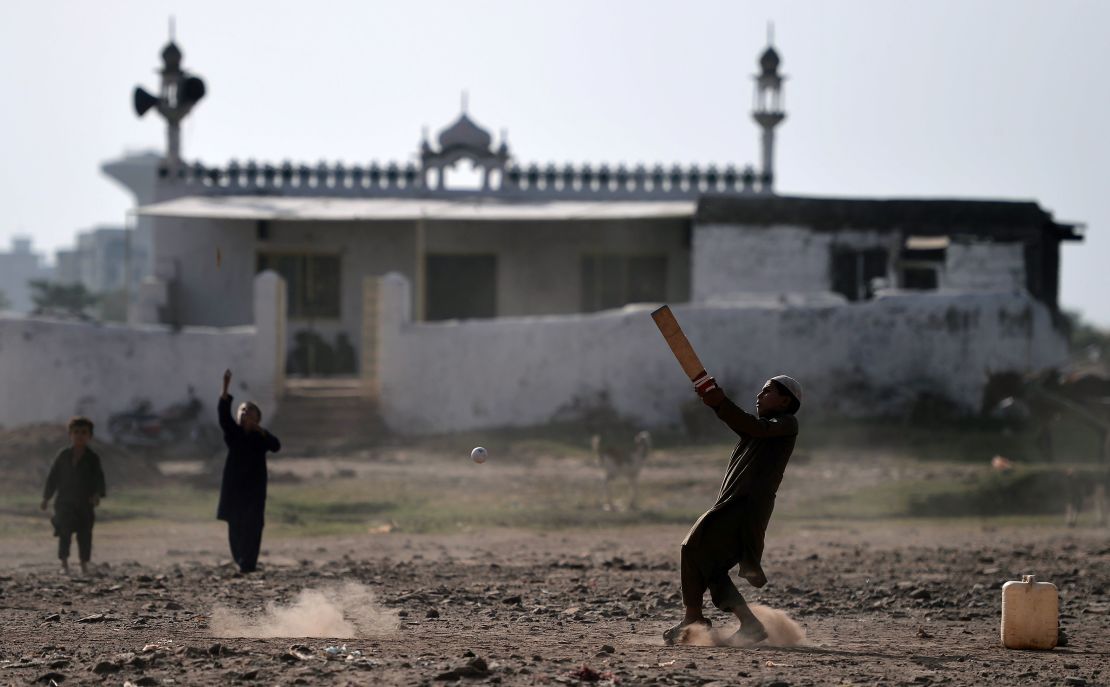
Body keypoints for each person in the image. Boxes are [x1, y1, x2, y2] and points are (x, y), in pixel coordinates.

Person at [664, 375, 802, 646]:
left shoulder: (785, 424)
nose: (760, 396)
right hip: (736, 505)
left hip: (745, 507)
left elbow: (751, 425)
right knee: (712, 567)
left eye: (767, 391)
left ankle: (694, 617)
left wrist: (720, 401)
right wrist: (715, 403)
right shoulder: (759, 430)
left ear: (785, 400)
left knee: (692, 547)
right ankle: (749, 624)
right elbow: (743, 423)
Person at [216, 369, 281, 574]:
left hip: (254, 489)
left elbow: (276, 446)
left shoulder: (261, 437)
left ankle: (249, 563)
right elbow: (223, 415)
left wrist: (260, 430)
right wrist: (225, 387)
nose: (245, 413)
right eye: (243, 410)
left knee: (253, 525)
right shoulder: (233, 434)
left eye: (250, 410)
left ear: (258, 417)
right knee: (235, 525)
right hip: (234, 487)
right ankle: (240, 560)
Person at [41, 416, 106, 576]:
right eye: (76, 432)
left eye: (84, 432)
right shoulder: (63, 456)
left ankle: (84, 564)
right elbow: (53, 477)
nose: (79, 435)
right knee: (64, 532)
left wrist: (97, 494)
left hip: (85, 502)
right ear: (70, 434)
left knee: (85, 534)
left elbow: (99, 478)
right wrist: (46, 497)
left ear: (90, 435)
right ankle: (64, 564)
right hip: (64, 501)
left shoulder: (92, 458)